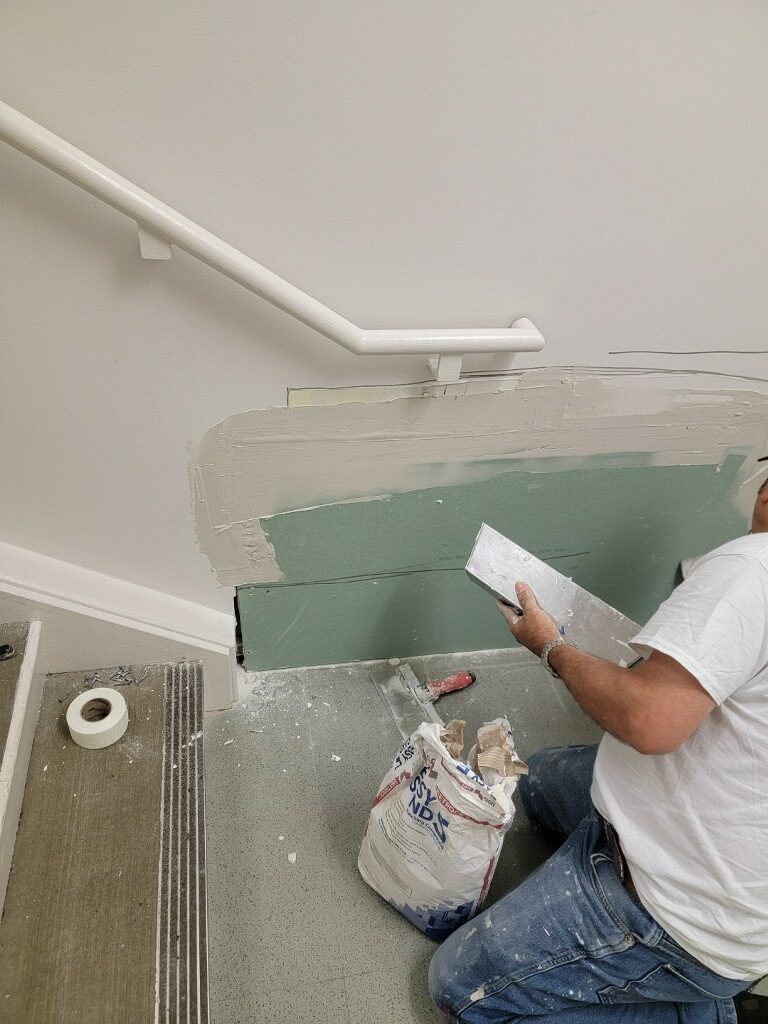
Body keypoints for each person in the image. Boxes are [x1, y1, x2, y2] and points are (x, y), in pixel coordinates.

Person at [428, 481, 768, 1022]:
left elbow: (647, 722)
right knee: (535, 782)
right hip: (721, 838)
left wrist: (552, 648)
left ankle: (695, 1009)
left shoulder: (752, 571)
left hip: (688, 913)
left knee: (459, 988)